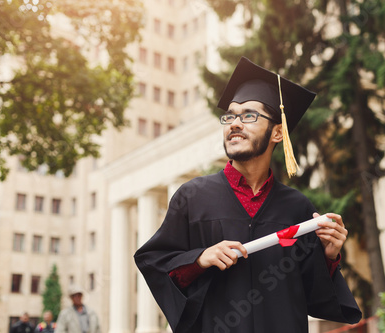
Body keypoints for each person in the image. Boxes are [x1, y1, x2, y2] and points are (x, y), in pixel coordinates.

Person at [134, 57, 362, 333]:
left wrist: (328, 255)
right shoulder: (192, 198)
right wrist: (199, 258)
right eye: (230, 116)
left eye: (248, 115)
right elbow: (156, 263)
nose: (234, 123)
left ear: (278, 132)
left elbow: (314, 297)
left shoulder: (297, 208)